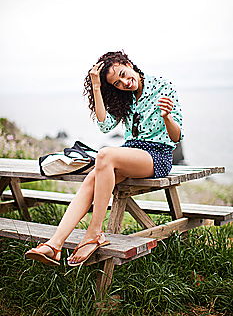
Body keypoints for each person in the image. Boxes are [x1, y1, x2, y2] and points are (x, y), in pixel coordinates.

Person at [25, 51, 184, 267]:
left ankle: (95, 232)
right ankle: (54, 245)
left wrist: (167, 117)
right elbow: (105, 125)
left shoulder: (162, 86)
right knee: (93, 178)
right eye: (117, 83)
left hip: (157, 155)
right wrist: (96, 88)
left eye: (123, 74)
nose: (124, 83)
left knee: (105, 154)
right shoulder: (124, 97)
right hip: (130, 153)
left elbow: (177, 136)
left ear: (128, 63)